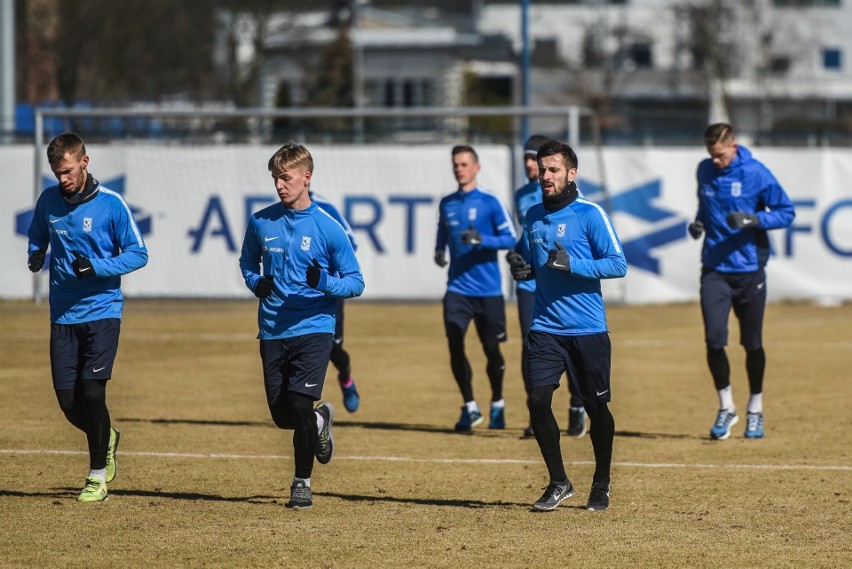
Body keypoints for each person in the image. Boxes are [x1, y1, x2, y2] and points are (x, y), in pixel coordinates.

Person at [239, 142, 364, 509]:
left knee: (298, 402)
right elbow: (247, 263)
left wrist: (323, 282)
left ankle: (302, 482)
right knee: (283, 415)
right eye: (276, 178)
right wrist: (255, 283)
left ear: (306, 178)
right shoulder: (261, 221)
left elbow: (356, 282)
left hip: (314, 328)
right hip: (273, 329)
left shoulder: (328, 227)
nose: (280, 185)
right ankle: (320, 419)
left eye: (286, 177)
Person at [27, 132, 149, 502]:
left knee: (94, 394)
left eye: (67, 171)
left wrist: (96, 267)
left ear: (85, 162)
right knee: (69, 403)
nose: (62, 179)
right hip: (62, 315)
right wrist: (36, 253)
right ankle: (106, 435)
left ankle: (97, 476)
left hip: (102, 312)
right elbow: (38, 235)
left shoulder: (111, 205)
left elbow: (138, 254)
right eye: (56, 173)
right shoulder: (49, 200)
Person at [508, 138, 627, 512]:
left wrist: (573, 265)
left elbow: (617, 264)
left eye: (553, 169)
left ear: (571, 173)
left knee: (596, 408)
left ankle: (602, 482)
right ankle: (559, 482)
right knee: (537, 399)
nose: (545, 175)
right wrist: (520, 265)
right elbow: (527, 255)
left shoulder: (589, 214)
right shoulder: (532, 215)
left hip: (587, 329)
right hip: (545, 327)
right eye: (542, 169)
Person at [688, 123, 795, 441]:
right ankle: (726, 407)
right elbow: (704, 206)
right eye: (711, 155)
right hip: (714, 270)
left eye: (719, 155)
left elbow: (787, 212)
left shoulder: (757, 173)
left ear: (733, 146)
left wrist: (756, 219)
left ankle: (755, 409)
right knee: (714, 340)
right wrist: (698, 223)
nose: (715, 161)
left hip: (749, 271)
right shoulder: (704, 170)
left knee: (752, 343)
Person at [434, 144, 517, 433]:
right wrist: (439, 250)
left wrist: (482, 240)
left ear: (476, 168)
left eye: (464, 164)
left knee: (492, 350)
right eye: (456, 164)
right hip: (457, 288)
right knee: (454, 341)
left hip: (489, 291)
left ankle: (497, 403)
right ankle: (469, 406)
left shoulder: (491, 202)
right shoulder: (447, 203)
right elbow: (443, 231)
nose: (460, 168)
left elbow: (511, 239)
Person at [510, 134, 587, 439]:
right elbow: (527, 236)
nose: (532, 166)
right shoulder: (521, 197)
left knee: (570, 347)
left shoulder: (570, 199)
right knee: (531, 348)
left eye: (536, 160)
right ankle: (537, 411)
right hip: (530, 287)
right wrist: (516, 254)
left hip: (561, 286)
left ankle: (577, 407)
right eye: (528, 160)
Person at [311, 191, 361, 413]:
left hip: (327, 293)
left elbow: (350, 242)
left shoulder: (325, 207)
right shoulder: (278, 213)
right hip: (294, 296)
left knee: (333, 348)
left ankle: (346, 379)